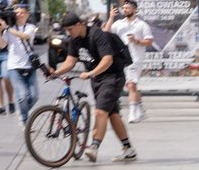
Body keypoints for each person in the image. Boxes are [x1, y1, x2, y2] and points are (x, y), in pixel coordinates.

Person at [48, 12, 137, 162]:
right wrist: (55, 73)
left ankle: (94, 147)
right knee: (112, 114)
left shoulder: (97, 35)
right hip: (97, 79)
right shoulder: (74, 40)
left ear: (79, 25)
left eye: (70, 29)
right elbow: (70, 62)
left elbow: (107, 60)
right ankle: (129, 149)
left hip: (112, 77)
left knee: (100, 112)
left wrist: (90, 73)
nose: (69, 33)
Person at [104, 0, 154, 123]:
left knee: (131, 85)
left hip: (136, 58)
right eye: (124, 8)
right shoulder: (119, 24)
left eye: (128, 8)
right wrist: (111, 17)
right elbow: (105, 32)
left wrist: (136, 41)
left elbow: (149, 41)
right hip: (121, 59)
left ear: (134, 9)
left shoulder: (142, 25)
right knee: (132, 86)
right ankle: (141, 109)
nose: (125, 10)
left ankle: (132, 114)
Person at [0, 3, 39, 126]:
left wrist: (7, 28)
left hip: (30, 66)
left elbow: (25, 36)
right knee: (22, 96)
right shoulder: (9, 29)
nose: (19, 15)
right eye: (17, 13)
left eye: (22, 12)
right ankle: (25, 120)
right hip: (14, 67)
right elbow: (2, 45)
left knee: (34, 96)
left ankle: (22, 111)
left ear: (27, 14)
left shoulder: (30, 27)